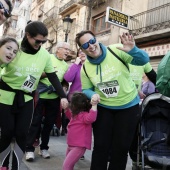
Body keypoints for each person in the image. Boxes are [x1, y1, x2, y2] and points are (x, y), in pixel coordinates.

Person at [75, 30, 149, 170]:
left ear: (96, 40)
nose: (90, 46)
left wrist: (133, 50)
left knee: (121, 148)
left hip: (128, 107)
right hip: (104, 108)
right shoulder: (85, 68)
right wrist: (92, 95)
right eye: (85, 45)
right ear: (82, 49)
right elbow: (86, 89)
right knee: (101, 147)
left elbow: (144, 60)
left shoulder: (116, 50)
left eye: (92, 41)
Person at [0, 21, 68, 170]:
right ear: (27, 35)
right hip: (5, 96)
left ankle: (16, 166)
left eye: (43, 42)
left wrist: (63, 96)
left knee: (22, 134)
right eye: (37, 41)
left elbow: (52, 76)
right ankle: (3, 165)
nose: (40, 44)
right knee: (7, 133)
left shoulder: (44, 55)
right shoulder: (13, 46)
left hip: (27, 98)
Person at [25, 41, 69, 161]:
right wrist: (47, 74)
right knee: (35, 122)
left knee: (49, 124)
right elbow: (34, 73)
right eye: (66, 49)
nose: (68, 52)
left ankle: (44, 148)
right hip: (40, 94)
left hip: (54, 97)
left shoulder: (65, 65)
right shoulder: (47, 57)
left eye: (68, 50)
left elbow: (64, 81)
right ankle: (29, 149)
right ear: (58, 49)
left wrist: (64, 87)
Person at [62, 92, 98, 170]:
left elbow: (91, 118)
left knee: (66, 166)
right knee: (69, 166)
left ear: (74, 105)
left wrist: (94, 106)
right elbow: (69, 115)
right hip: (71, 145)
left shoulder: (84, 115)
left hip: (79, 147)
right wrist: (66, 109)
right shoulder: (75, 114)